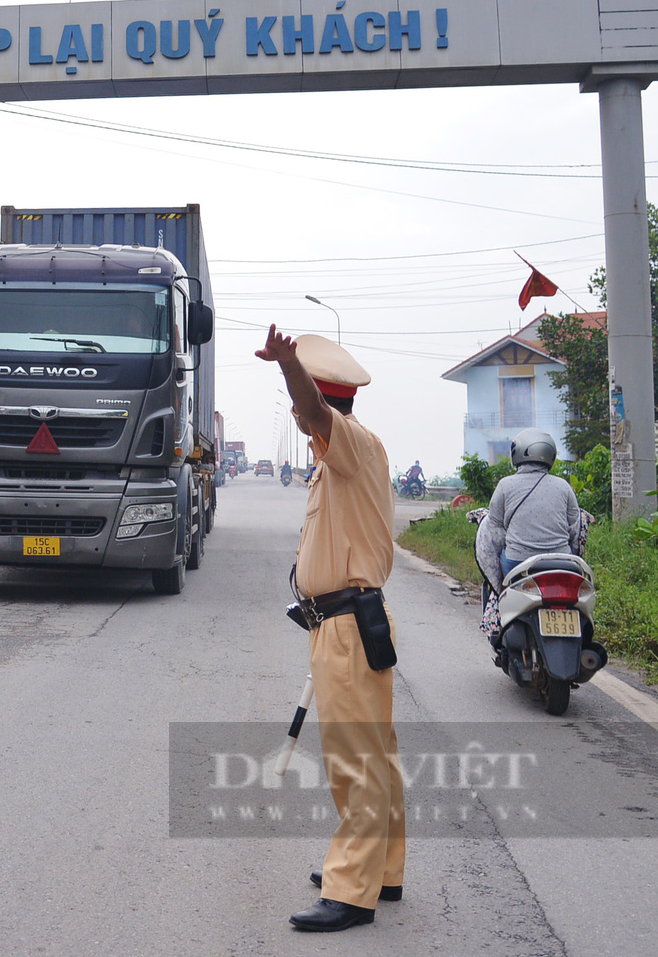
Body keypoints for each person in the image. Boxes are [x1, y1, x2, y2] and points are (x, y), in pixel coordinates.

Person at [257, 327, 403, 933]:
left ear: (320, 404)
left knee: (355, 763)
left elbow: (314, 409)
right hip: (340, 623)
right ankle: (382, 870)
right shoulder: (333, 462)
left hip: (348, 625)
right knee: (379, 757)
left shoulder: (352, 443)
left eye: (302, 406)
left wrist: (291, 368)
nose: (298, 417)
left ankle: (352, 890)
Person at [474, 429, 586, 639]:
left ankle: (497, 623)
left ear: (518, 454)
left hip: (518, 562)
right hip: (562, 561)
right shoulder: (563, 486)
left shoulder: (505, 485)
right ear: (550, 455)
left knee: (495, 581)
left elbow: (495, 532)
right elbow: (575, 528)